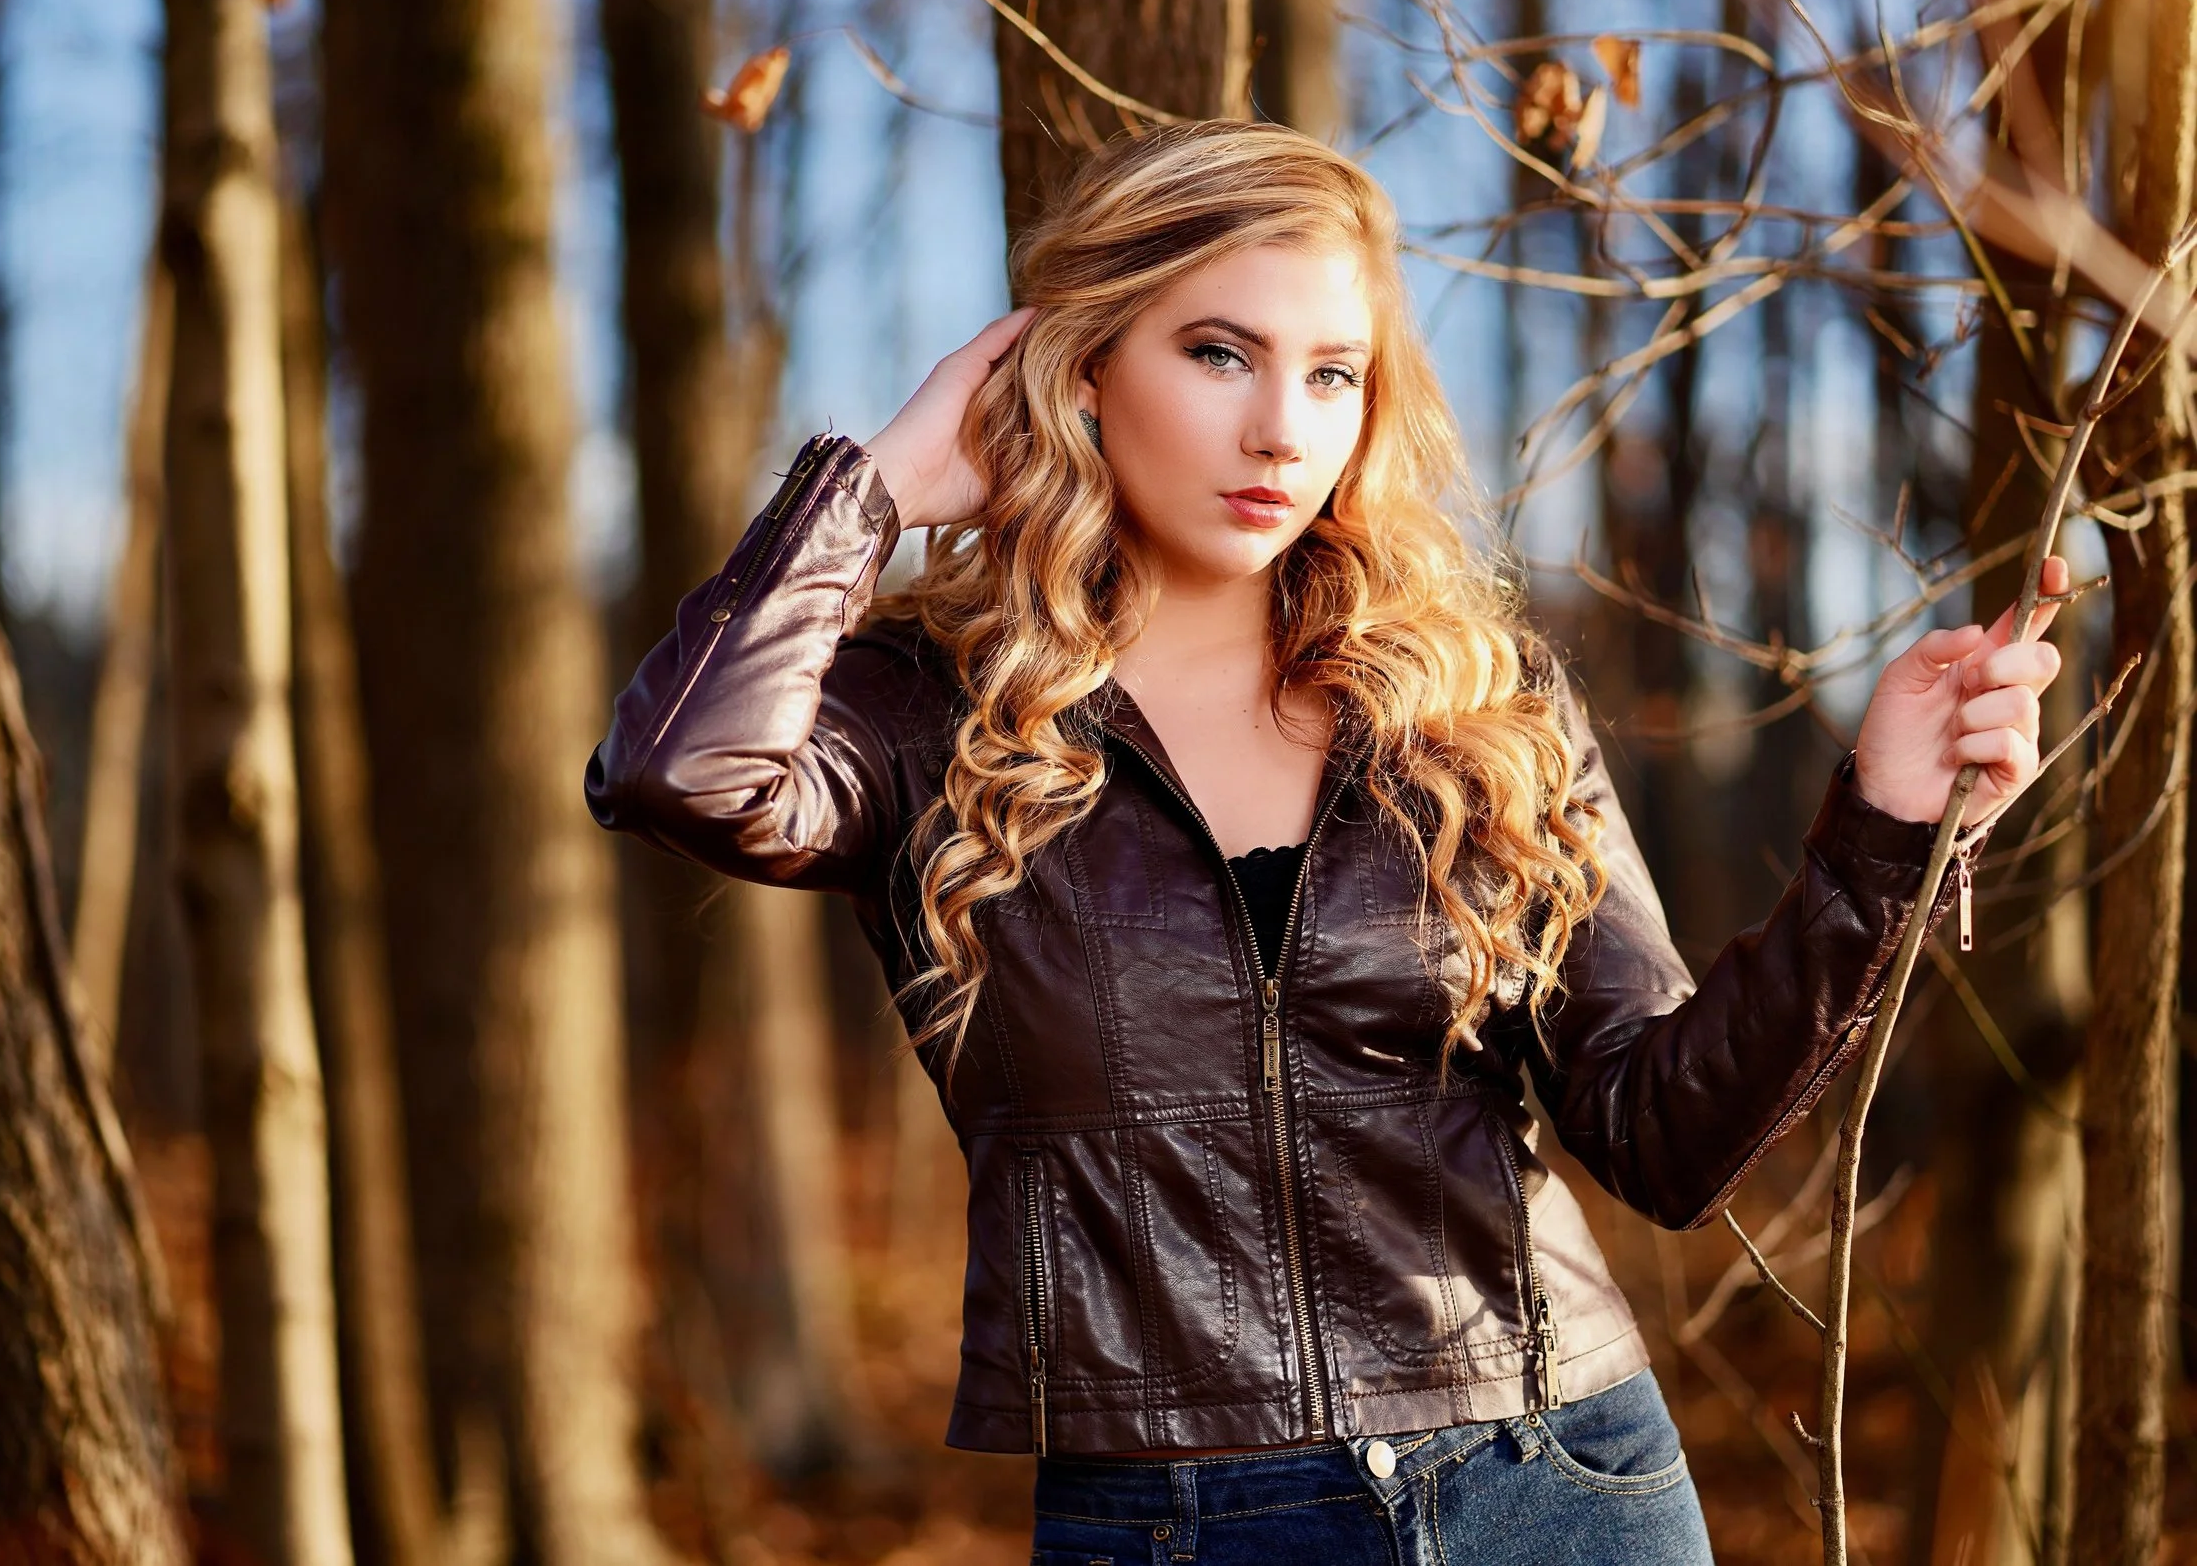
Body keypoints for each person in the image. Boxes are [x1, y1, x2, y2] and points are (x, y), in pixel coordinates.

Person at [587, 122, 2065, 1564]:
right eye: (1219, 352)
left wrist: (1882, 834)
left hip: (1556, 1480)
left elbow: (1663, 1135)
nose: (1282, 426)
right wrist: (881, 486)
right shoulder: (932, 717)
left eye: (1332, 373)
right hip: (1172, 1518)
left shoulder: (1478, 700)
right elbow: (673, 768)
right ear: (1083, 365)